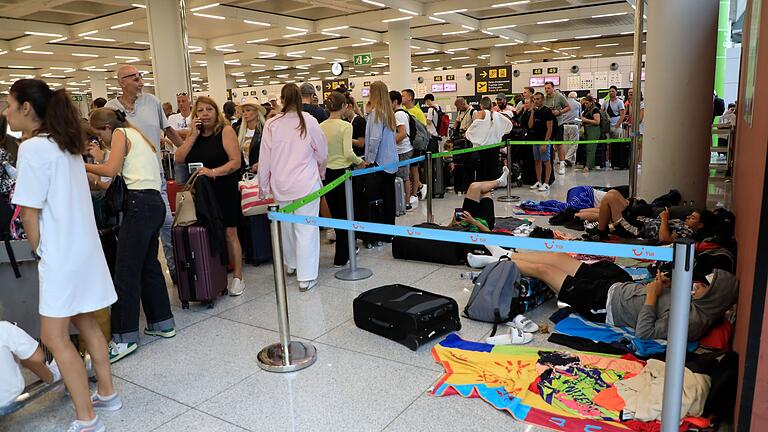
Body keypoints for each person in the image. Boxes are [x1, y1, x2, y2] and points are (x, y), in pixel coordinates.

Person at [7, 79, 120, 432]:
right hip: (85, 247)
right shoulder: (66, 143)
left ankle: (87, 418)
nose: (6, 111)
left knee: (55, 336)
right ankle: (107, 393)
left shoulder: (33, 149)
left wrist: (41, 251)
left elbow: (29, 211)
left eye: (9, 104)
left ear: (27, 108)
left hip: (61, 254)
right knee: (86, 322)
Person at [466, 250, 738, 341]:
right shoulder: (693, 303)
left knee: (543, 270)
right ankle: (503, 254)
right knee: (559, 257)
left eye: (702, 287)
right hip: (621, 285)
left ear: (713, 298)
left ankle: (494, 263)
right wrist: (663, 284)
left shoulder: (691, 322)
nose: (695, 286)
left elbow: (645, 333)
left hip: (605, 303)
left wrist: (654, 294)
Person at [86, 108, 176, 364]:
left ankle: (124, 338)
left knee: (125, 272)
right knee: (148, 265)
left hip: (137, 208)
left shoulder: (118, 133)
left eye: (97, 134)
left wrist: (80, 164)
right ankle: (162, 322)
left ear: (104, 127)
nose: (100, 140)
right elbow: (117, 179)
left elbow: (111, 169)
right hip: (153, 203)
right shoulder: (138, 136)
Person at [105, 65, 183, 283]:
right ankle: (142, 275)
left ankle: (176, 270)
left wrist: (186, 150)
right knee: (138, 232)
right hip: (128, 181)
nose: (140, 81)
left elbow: (169, 131)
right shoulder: (111, 109)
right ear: (121, 82)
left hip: (155, 177)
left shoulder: (152, 102)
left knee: (167, 223)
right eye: (135, 78)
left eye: (141, 77)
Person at [258, 84, 328, 292]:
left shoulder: (272, 124)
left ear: (281, 100)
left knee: (287, 228)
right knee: (307, 229)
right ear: (300, 99)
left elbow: (265, 160)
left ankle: (292, 264)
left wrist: (263, 187)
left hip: (281, 186)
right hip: (307, 184)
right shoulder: (309, 121)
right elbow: (322, 153)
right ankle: (306, 277)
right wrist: (320, 172)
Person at [174, 97, 246, 296]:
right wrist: (193, 135)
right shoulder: (194, 136)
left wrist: (213, 172)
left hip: (224, 188)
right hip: (201, 193)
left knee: (230, 233)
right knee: (207, 233)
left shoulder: (226, 131)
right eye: (200, 111)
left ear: (216, 113)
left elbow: (235, 162)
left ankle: (238, 276)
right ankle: (215, 273)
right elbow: (179, 158)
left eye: (209, 110)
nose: (205, 114)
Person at [320, 92, 366, 267]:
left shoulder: (321, 125)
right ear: (344, 106)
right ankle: (344, 254)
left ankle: (342, 255)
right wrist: (360, 162)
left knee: (335, 215)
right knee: (346, 214)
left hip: (327, 174)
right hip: (343, 174)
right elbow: (348, 152)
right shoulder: (345, 126)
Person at [583, 189, 716, 243]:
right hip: (640, 221)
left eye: (692, 218)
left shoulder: (687, 233)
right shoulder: (684, 225)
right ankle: (602, 229)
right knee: (613, 193)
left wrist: (664, 219)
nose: (687, 217)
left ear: (700, 225)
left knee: (609, 198)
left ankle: (601, 232)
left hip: (636, 229)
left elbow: (664, 238)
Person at [364, 81, 399, 240]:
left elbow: (374, 139)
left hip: (379, 164)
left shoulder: (377, 113)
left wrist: (369, 160)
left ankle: (379, 232)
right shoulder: (389, 112)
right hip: (391, 162)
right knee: (389, 197)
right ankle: (389, 231)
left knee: (378, 198)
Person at [0, 321, 61, 409]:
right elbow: (38, 357)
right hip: (5, 399)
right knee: (25, 353)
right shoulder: (4, 327)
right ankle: (53, 378)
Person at [465, 96, 512, 183]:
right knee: (492, 169)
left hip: (482, 148)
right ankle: (491, 189)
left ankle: (484, 190)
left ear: (481, 105)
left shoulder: (481, 113)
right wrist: (500, 133)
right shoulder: (497, 114)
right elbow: (509, 125)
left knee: (482, 171)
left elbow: (472, 129)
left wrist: (471, 135)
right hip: (495, 147)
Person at [521, 92, 555, 191]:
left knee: (546, 161)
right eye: (534, 99)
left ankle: (546, 183)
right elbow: (530, 125)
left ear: (542, 100)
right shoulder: (534, 112)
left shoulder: (547, 111)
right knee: (537, 161)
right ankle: (539, 181)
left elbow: (550, 128)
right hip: (535, 139)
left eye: (538, 99)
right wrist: (532, 112)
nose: (536, 101)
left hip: (544, 140)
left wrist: (545, 142)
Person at [390, 90, 416, 210]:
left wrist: (390, 144)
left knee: (403, 177)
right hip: (405, 148)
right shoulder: (403, 112)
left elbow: (403, 133)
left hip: (403, 149)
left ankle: (406, 202)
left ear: (394, 102)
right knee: (404, 175)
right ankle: (405, 201)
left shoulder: (398, 114)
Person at [401, 89, 426, 203]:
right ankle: (420, 186)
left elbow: (423, 129)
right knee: (408, 170)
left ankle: (414, 194)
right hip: (406, 144)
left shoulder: (417, 112)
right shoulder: (402, 110)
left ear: (410, 97)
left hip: (414, 144)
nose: (401, 98)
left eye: (403, 96)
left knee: (414, 169)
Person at [543, 82, 571, 175]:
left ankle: (562, 164)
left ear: (553, 88)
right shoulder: (544, 98)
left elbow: (568, 107)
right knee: (548, 145)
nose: (547, 90)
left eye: (548, 88)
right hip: (547, 125)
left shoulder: (559, 97)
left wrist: (559, 112)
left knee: (559, 145)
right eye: (545, 88)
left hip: (558, 124)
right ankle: (549, 163)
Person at [167, 93, 193, 182]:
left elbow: (196, 134)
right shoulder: (172, 118)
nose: (181, 103)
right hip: (179, 159)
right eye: (179, 101)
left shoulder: (195, 116)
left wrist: (177, 133)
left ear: (189, 102)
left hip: (194, 157)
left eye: (183, 101)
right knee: (181, 187)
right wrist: (188, 132)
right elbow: (170, 136)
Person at [235, 102, 267, 172]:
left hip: (260, 171)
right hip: (243, 173)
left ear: (256, 112)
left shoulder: (265, 130)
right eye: (243, 111)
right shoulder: (238, 130)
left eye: (248, 110)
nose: (245, 113)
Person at [580, 95, 602, 172]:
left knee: (591, 148)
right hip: (587, 130)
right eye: (584, 103)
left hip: (594, 130)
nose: (585, 105)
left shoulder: (595, 110)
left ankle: (588, 166)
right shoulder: (586, 110)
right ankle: (589, 164)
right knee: (586, 148)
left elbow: (597, 121)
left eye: (587, 103)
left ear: (591, 102)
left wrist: (586, 120)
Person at [605, 86, 626, 166]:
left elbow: (622, 115)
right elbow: (602, 111)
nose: (611, 93)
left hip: (617, 126)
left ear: (616, 92)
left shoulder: (620, 102)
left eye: (612, 91)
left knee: (617, 144)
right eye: (610, 91)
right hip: (608, 126)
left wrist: (618, 124)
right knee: (608, 144)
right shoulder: (606, 102)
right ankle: (609, 160)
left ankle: (616, 160)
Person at [562, 92, 582, 167]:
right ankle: (568, 158)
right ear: (575, 97)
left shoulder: (564, 104)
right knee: (574, 144)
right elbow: (580, 116)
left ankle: (570, 161)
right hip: (573, 125)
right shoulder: (578, 104)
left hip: (564, 125)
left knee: (566, 145)